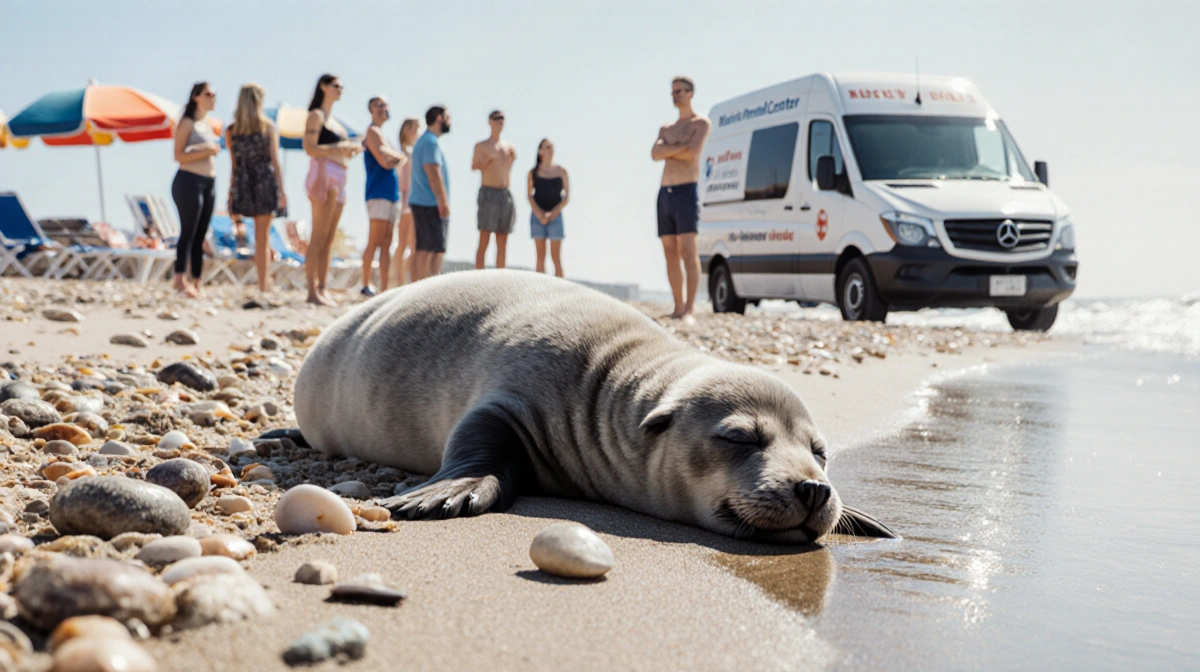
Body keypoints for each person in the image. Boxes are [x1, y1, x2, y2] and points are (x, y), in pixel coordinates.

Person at [651, 76, 711, 320]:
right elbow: (655, 153)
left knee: (688, 249)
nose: (675, 95)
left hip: (687, 190)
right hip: (665, 192)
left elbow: (693, 153)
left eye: (679, 91)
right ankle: (677, 306)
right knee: (669, 250)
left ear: (690, 93)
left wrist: (670, 150)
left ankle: (689, 307)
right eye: (673, 92)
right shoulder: (667, 129)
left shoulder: (701, 124)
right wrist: (680, 148)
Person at [303, 73, 361, 306]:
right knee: (318, 235)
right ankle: (311, 291)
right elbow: (310, 148)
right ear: (323, 87)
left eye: (341, 86)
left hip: (340, 174)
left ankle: (323, 287)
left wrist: (349, 150)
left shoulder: (337, 122)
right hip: (324, 174)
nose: (340, 89)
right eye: (336, 85)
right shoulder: (316, 116)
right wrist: (339, 147)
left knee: (329, 238)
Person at [225, 82, 285, 295]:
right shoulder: (267, 127)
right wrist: (282, 192)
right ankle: (263, 284)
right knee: (263, 238)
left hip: (243, 184)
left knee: (253, 237)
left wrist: (231, 192)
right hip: (264, 183)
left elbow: (234, 165)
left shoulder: (232, 131)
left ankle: (262, 282)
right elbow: (275, 162)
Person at [170, 81, 220, 299]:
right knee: (188, 232)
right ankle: (179, 278)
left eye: (214, 94)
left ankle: (197, 282)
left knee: (201, 234)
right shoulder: (187, 123)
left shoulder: (206, 124)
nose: (213, 97)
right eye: (208, 94)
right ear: (196, 97)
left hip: (209, 183)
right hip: (189, 181)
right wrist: (206, 151)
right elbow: (178, 156)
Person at [361, 96, 408, 296]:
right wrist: (395, 156)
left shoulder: (384, 136)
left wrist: (394, 156)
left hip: (392, 193)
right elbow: (385, 161)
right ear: (371, 109)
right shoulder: (372, 132)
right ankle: (365, 283)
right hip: (378, 192)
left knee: (388, 242)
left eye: (386, 105)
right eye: (379, 105)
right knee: (375, 239)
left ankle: (383, 288)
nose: (384, 109)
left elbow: (396, 158)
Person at [409, 106, 451, 282]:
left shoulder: (425, 141)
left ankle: (418, 291)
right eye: (447, 117)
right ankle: (425, 295)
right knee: (430, 251)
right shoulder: (430, 142)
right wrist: (442, 201)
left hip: (424, 202)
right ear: (439, 119)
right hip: (430, 203)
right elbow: (433, 172)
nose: (450, 121)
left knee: (425, 249)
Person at [471, 110, 516, 269]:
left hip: (505, 194)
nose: (500, 121)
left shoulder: (508, 147)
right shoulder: (482, 146)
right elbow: (474, 165)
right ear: (490, 121)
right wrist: (490, 159)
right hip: (488, 192)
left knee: (502, 240)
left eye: (502, 118)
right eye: (497, 118)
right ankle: (478, 276)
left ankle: (500, 279)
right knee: (484, 238)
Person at [527, 139, 569, 277]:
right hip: (537, 217)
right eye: (547, 147)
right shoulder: (533, 173)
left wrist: (553, 213)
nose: (551, 150)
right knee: (540, 257)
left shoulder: (561, 171)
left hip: (555, 217)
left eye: (552, 147)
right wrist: (540, 214)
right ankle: (540, 292)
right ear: (540, 151)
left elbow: (566, 197)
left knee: (556, 257)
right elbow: (530, 196)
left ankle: (561, 292)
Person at [390, 117, 420, 287]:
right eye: (412, 128)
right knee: (402, 243)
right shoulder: (400, 154)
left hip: (415, 200)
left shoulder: (414, 153)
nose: (415, 132)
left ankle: (407, 282)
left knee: (414, 245)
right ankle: (399, 283)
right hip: (404, 200)